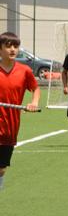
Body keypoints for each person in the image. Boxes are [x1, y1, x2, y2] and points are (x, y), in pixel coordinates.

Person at [0, 32, 40, 192]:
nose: (12, 49)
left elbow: (35, 88)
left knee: (1, 168)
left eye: (15, 46)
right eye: (8, 46)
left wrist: (34, 102)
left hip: (10, 127)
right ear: (0, 49)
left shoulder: (24, 71)